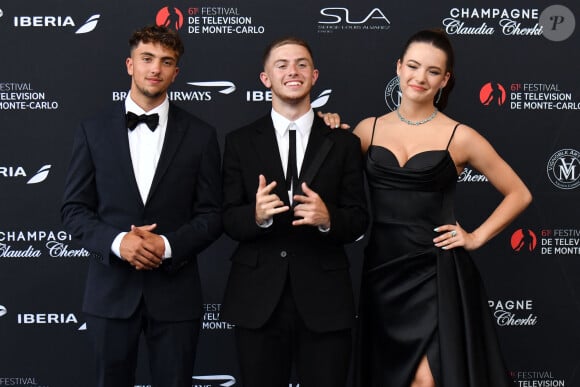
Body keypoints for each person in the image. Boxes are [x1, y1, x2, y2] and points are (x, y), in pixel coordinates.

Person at [351, 29, 532, 387]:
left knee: (426, 380)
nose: (420, 78)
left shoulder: (460, 136)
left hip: (435, 272)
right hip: (381, 272)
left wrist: (476, 236)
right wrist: (326, 126)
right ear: (399, 68)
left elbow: (519, 193)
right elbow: (332, 180)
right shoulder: (367, 130)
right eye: (414, 66)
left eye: (433, 71)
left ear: (445, 80)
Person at [61, 25, 222, 387]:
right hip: (110, 295)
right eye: (147, 59)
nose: (156, 69)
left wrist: (166, 246)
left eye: (167, 62)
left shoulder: (201, 134)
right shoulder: (92, 130)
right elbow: (74, 210)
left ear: (176, 72)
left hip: (176, 296)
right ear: (129, 65)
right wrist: (120, 243)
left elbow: (212, 214)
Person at [220, 36, 369, 387]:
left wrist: (329, 219)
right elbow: (226, 217)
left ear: (314, 76)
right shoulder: (239, 141)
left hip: (325, 300)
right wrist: (255, 216)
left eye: (301, 64)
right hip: (257, 300)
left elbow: (360, 218)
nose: (293, 71)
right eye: (282, 65)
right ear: (265, 78)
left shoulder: (343, 141)